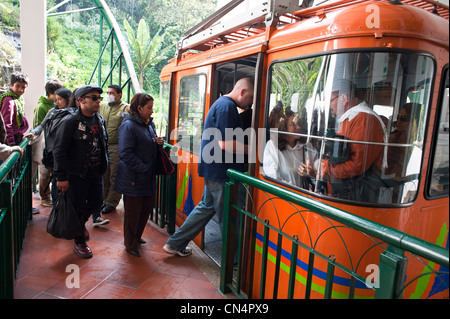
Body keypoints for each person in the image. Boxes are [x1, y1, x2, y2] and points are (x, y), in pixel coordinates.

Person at [163, 77, 254, 257]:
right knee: (228, 217)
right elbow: (226, 144)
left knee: (206, 208)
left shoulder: (222, 105)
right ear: (242, 92)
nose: (251, 103)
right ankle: (233, 262)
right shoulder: (226, 107)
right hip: (221, 172)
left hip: (215, 169)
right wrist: (257, 149)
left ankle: (174, 244)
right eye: (251, 97)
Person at [52, 85, 109, 258]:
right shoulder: (70, 121)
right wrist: (61, 177)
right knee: (77, 207)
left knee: (96, 203)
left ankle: (79, 225)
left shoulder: (99, 119)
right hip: (76, 174)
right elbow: (59, 150)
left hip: (95, 172)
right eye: (93, 97)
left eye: (99, 97)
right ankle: (79, 242)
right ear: (81, 100)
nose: (98, 100)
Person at [319, 79, 386, 201]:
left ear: (344, 99)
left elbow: (356, 164)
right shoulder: (352, 118)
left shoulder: (364, 119)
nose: (329, 105)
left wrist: (324, 168)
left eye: (331, 100)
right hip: (344, 191)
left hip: (356, 195)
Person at [114, 93, 163, 257]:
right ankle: (130, 243)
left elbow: (149, 144)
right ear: (139, 108)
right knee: (133, 213)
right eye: (149, 108)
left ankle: (137, 236)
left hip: (146, 177)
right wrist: (143, 168)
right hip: (133, 178)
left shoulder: (148, 125)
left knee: (146, 208)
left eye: (152, 108)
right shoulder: (128, 126)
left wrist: (158, 143)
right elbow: (125, 154)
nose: (151, 111)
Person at [263, 108, 317, 189]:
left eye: (298, 124)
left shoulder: (306, 146)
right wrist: (296, 193)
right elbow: (273, 178)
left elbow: (320, 173)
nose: (298, 127)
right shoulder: (272, 146)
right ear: (283, 128)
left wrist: (312, 173)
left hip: (304, 197)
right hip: (284, 197)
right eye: (293, 124)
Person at [32, 79, 65, 207]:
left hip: (54, 144)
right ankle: (44, 197)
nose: (58, 99)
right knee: (44, 172)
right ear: (50, 93)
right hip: (45, 144)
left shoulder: (55, 107)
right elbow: (39, 126)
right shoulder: (43, 107)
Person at [99, 84, 129, 215]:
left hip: (117, 146)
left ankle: (112, 202)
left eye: (112, 93)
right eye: (108, 92)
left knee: (114, 174)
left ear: (119, 95)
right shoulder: (102, 106)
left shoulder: (125, 108)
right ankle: (104, 199)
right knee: (104, 173)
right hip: (103, 145)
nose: (109, 95)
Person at [0, 71, 30, 146]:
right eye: (17, 86)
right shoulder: (8, 100)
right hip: (10, 140)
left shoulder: (19, 99)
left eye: (23, 87)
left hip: (17, 137)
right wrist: (12, 144)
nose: (20, 89)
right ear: (11, 84)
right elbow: (7, 124)